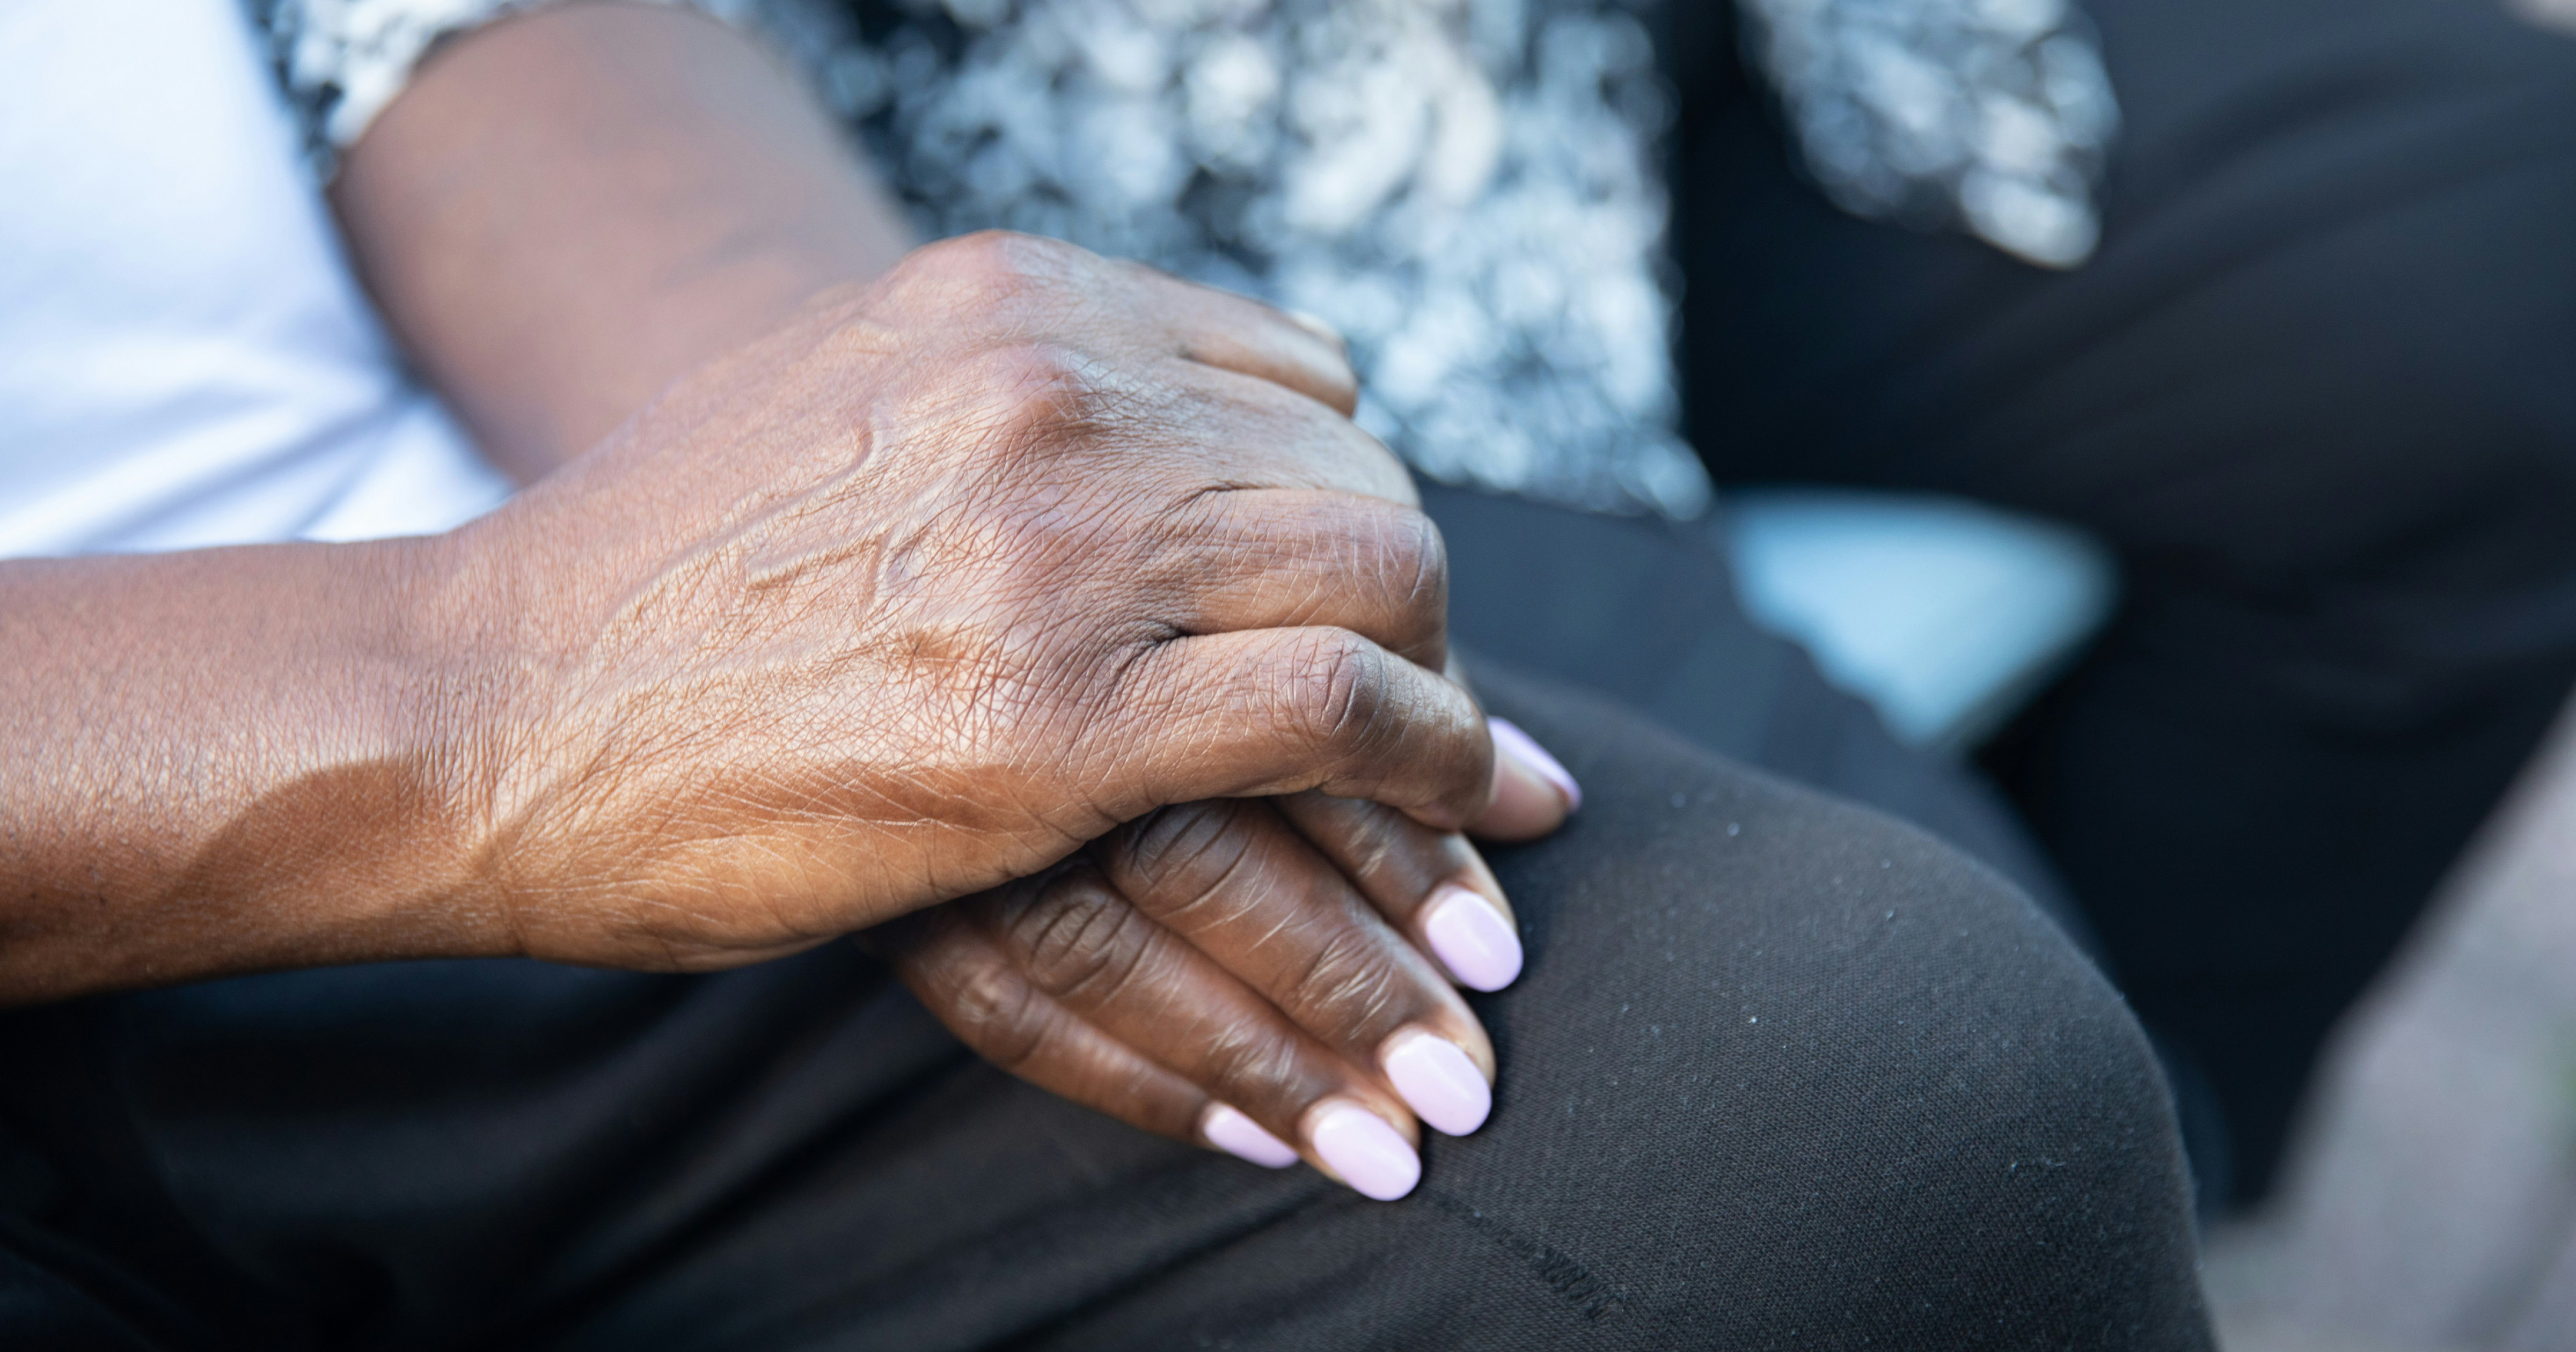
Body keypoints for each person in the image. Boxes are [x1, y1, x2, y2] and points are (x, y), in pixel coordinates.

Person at [0, 1, 2209, 1346]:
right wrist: (487, 687)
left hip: (525, 496)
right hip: (182, 773)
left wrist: (874, 521)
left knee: (1872, 1097)